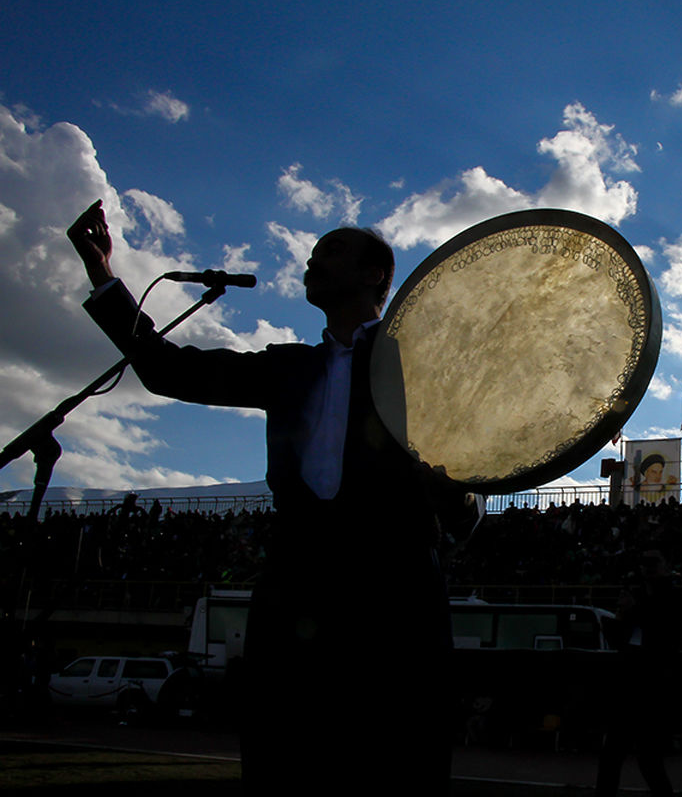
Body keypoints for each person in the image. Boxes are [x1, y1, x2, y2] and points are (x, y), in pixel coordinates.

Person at [69, 200, 469, 793]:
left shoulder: (424, 369)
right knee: (280, 757)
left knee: (399, 759)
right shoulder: (287, 367)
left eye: (330, 250)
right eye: (311, 255)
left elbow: (471, 483)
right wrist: (103, 274)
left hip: (395, 594)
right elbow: (166, 369)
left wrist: (454, 501)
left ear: (374, 275)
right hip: (295, 589)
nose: (312, 260)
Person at [596, 549, 682, 796]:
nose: (648, 570)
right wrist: (621, 614)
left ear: (666, 567)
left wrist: (631, 610)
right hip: (633, 684)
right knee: (619, 756)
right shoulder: (641, 597)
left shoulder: (674, 597)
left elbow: (663, 625)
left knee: (644, 757)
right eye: (645, 565)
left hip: (652, 686)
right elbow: (620, 638)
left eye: (653, 564)